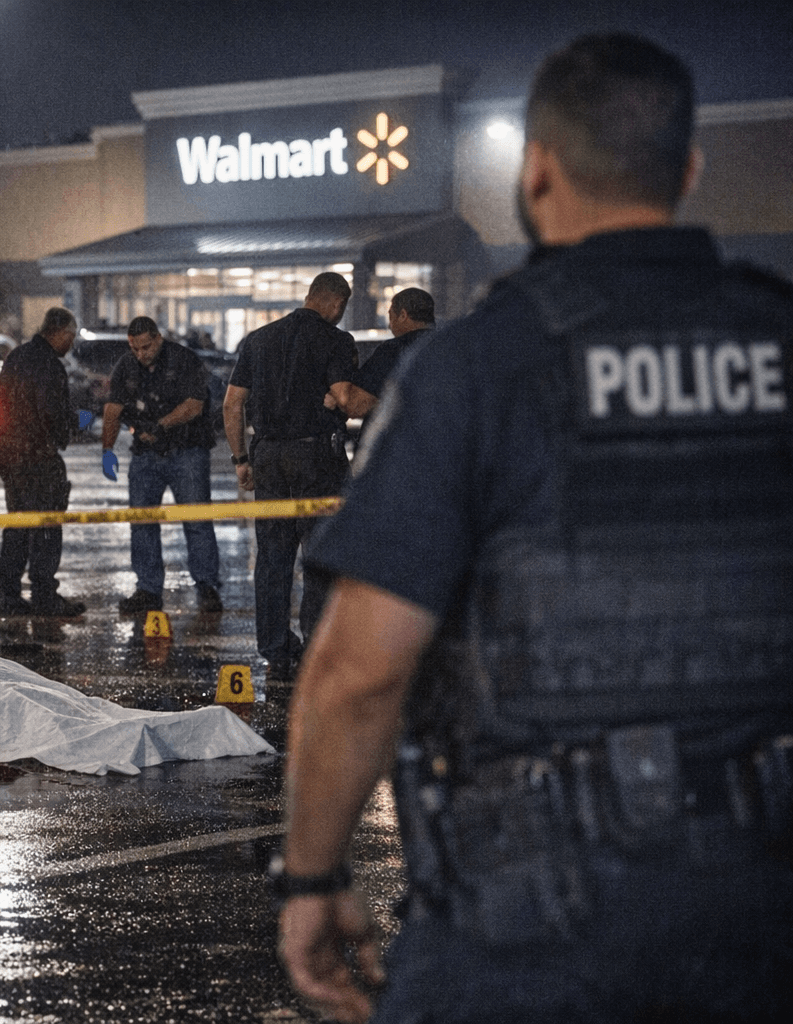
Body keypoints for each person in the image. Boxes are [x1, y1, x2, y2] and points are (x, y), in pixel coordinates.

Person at [276, 33, 793, 1024]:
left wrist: (312, 878)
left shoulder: (476, 368)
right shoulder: (777, 339)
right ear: (686, 170)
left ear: (537, 170)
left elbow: (359, 670)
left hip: (537, 911)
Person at [223, 273, 357, 680]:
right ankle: (317, 645)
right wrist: (336, 399)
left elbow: (232, 405)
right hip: (316, 454)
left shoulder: (258, 340)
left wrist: (241, 459)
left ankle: (276, 652)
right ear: (336, 303)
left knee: (273, 556)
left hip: (267, 456)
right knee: (319, 553)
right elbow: (347, 398)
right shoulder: (336, 341)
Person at [101, 316, 223, 614]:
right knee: (142, 521)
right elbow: (113, 410)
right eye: (135, 349)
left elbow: (194, 406)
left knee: (196, 521)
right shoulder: (126, 367)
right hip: (146, 455)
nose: (141, 354)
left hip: (187, 450)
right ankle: (148, 589)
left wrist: (160, 426)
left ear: (158, 339)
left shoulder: (184, 360)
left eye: (145, 347)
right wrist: (107, 450)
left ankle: (207, 586)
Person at [0, 306, 86, 618]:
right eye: (71, 336)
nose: (71, 343)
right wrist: (71, 425)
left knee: (18, 523)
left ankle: (7, 593)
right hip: (35, 455)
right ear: (59, 332)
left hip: (9, 453)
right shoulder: (49, 364)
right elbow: (50, 410)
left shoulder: (17, 357)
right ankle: (44, 594)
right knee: (46, 524)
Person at [326, 286, 435, 427]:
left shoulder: (394, 351)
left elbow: (357, 405)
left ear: (403, 315)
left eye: (391, 316)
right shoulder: (452, 348)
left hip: (402, 443)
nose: (390, 326)